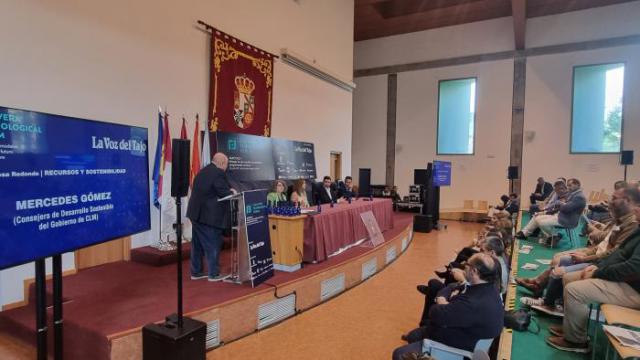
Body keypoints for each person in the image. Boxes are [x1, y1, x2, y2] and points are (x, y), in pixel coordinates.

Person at [546, 185, 640, 353]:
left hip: (634, 290)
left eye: (614, 197)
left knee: (575, 291)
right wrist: (595, 266)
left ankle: (576, 342)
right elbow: (618, 253)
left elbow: (633, 267)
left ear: (628, 202)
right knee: (569, 278)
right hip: (623, 279)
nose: (637, 212)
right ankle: (572, 329)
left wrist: (597, 271)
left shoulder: (633, 225)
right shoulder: (635, 228)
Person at [519, 187, 639, 316]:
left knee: (562, 268)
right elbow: (607, 242)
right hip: (597, 255)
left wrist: (590, 261)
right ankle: (542, 289)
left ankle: (550, 301)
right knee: (558, 257)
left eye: (614, 198)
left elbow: (615, 253)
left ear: (628, 201)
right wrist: (593, 240)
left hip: (601, 260)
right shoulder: (620, 219)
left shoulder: (630, 224)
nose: (610, 201)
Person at [392, 254, 504, 359]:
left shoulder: (471, 303)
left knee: (399, 354)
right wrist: (448, 303)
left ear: (474, 271)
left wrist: (442, 301)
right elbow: (452, 290)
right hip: (466, 337)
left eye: (467, 265)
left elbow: (434, 312)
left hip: (455, 348)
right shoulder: (490, 290)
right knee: (414, 335)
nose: (464, 267)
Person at [187, 152, 236, 282]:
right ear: (222, 163)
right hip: (208, 217)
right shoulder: (218, 173)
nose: (226, 167)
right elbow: (223, 192)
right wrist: (232, 192)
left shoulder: (202, 171)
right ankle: (213, 274)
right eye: (226, 164)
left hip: (195, 214)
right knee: (212, 243)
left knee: (197, 244)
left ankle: (196, 272)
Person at [517, 178, 586, 246]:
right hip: (561, 216)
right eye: (568, 185)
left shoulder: (578, 197)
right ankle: (524, 233)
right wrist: (547, 208)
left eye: (570, 185)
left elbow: (566, 208)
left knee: (541, 222)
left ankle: (555, 236)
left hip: (567, 220)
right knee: (537, 217)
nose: (568, 187)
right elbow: (557, 205)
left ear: (577, 185)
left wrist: (557, 204)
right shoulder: (573, 194)